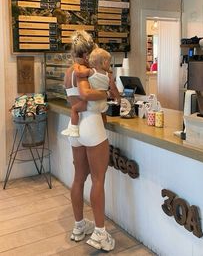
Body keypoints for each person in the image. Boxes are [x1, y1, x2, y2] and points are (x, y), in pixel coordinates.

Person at [63, 30, 119, 251]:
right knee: (98, 179)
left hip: (74, 128)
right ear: (87, 54)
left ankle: (79, 227)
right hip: (92, 125)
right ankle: (100, 233)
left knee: (78, 178)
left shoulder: (68, 72)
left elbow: (75, 98)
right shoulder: (87, 72)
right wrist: (107, 91)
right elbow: (92, 95)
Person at [61, 47, 120, 137]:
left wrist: (76, 66)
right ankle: (102, 127)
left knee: (74, 109)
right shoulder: (109, 76)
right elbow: (114, 89)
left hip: (91, 107)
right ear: (105, 62)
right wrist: (118, 98)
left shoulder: (90, 72)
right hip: (102, 107)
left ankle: (73, 128)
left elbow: (79, 74)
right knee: (102, 118)